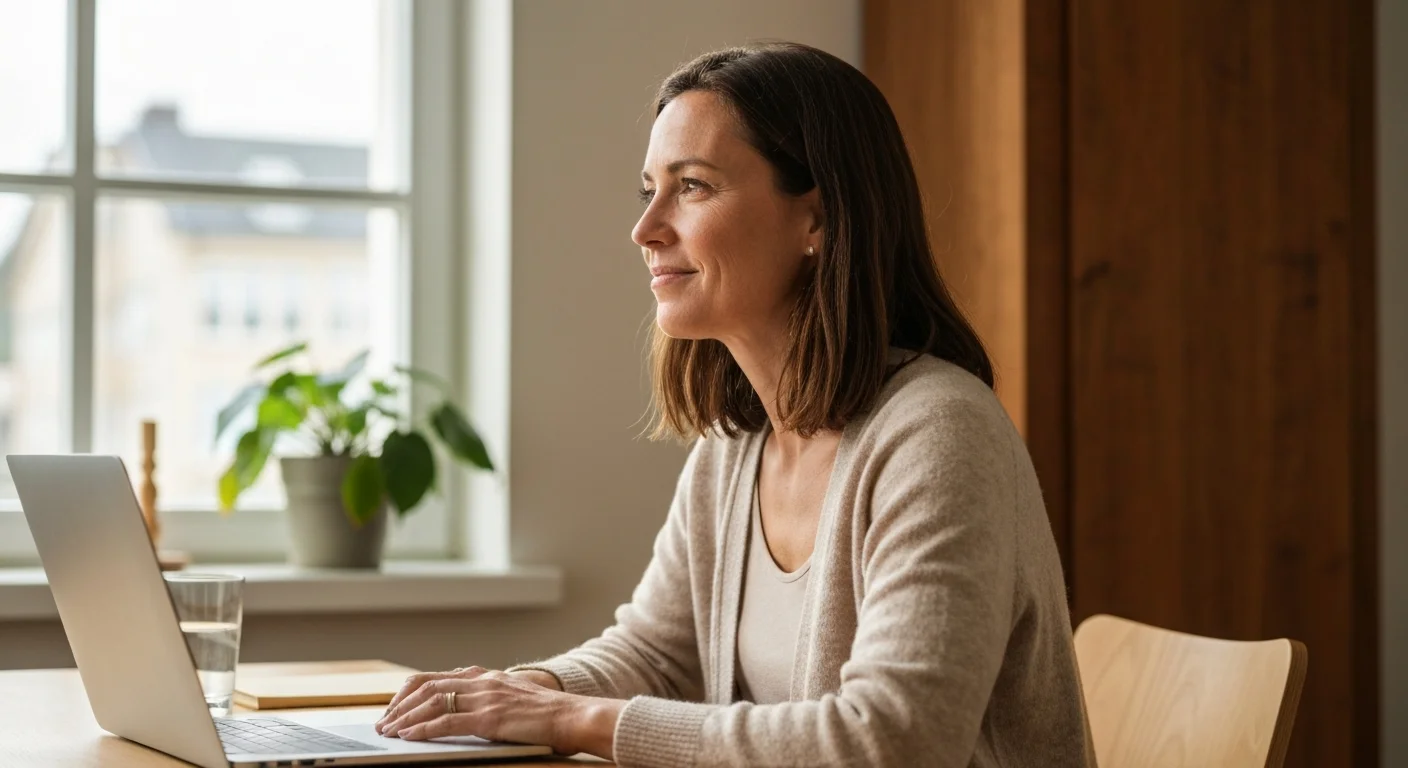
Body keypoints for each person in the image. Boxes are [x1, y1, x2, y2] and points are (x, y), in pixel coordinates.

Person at [374, 42, 1094, 767]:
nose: (646, 229)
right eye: (649, 190)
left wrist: (573, 718)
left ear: (817, 220)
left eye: (692, 186)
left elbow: (896, 740)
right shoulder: (736, 445)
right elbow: (658, 654)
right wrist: (524, 691)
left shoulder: (940, 433)